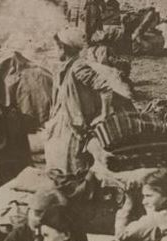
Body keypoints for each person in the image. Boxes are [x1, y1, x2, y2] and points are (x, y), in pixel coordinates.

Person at [44, 27, 116, 176]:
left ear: (64, 48)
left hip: (73, 122)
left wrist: (104, 114)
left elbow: (105, 88)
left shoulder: (78, 67)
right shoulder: (66, 66)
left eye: (57, 47)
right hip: (63, 120)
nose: (56, 51)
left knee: (71, 162)